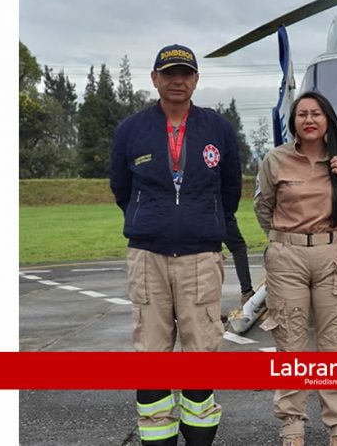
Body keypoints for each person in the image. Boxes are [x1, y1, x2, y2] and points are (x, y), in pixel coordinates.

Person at [110, 44, 242, 446]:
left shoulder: (217, 128)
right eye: (169, 73)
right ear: (155, 79)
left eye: (185, 73)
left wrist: (204, 222)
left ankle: (199, 439)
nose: (177, 80)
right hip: (148, 256)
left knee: (201, 354)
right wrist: (151, 220)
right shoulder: (131, 130)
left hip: (201, 256)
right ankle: (159, 438)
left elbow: (230, 189)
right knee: (152, 355)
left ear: (196, 80)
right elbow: (121, 188)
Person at [254, 91, 337, 446]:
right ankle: (292, 428)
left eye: (316, 113)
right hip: (287, 256)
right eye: (302, 114)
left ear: (328, 121)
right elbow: (265, 209)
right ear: (293, 122)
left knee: (334, 347)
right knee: (290, 345)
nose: (309, 119)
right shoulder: (275, 160)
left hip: (332, 255)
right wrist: (283, 241)